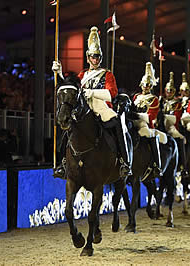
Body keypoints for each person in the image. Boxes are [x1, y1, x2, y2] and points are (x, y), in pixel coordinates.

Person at [52, 26, 131, 178]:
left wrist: (91, 92)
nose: (95, 60)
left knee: (118, 125)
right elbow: (71, 89)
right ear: (87, 57)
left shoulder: (107, 74)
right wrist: (60, 73)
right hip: (84, 108)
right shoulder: (82, 74)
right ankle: (62, 163)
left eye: (97, 57)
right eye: (92, 56)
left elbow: (112, 94)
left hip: (102, 108)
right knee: (66, 129)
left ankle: (124, 162)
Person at [132, 62, 164, 177]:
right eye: (144, 84)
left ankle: (157, 164)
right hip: (133, 121)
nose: (146, 86)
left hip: (145, 124)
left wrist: (138, 116)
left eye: (148, 85)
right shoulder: (136, 96)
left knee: (149, 135)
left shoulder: (154, 99)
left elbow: (152, 116)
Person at [162, 72, 188, 176]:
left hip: (172, 127)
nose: (169, 93)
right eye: (167, 90)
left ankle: (183, 165)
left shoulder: (177, 104)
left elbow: (177, 118)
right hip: (161, 125)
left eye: (171, 91)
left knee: (180, 140)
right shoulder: (162, 101)